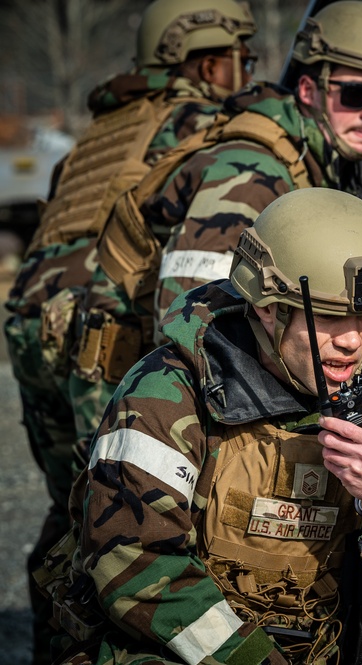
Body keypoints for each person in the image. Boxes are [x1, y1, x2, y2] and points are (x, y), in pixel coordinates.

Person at [34, 188, 362, 665]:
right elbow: (133, 563)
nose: (353, 340)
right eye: (330, 317)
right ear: (268, 307)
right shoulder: (167, 394)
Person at [3, 1, 257, 661]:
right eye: (242, 59)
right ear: (208, 60)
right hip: (98, 345)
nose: (247, 73)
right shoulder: (206, 127)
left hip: (34, 334)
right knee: (115, 529)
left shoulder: (105, 129)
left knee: (70, 508)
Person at [69, 0, 362, 474]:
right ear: (308, 89)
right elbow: (194, 327)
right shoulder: (251, 173)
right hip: (123, 377)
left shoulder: (348, 171)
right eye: (355, 95)